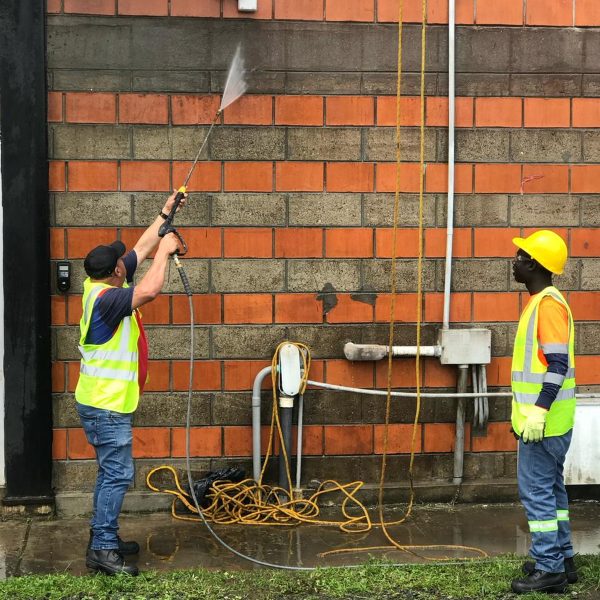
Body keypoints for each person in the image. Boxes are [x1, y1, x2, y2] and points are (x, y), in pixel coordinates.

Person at [75, 190, 185, 576]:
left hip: (103, 403)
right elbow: (151, 290)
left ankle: (104, 537)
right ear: (116, 273)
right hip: (106, 406)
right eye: (120, 261)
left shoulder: (100, 284)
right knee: (117, 475)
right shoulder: (109, 301)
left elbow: (141, 245)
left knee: (110, 473)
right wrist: (167, 252)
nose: (125, 259)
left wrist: (165, 214)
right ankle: (103, 549)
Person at [509, 230, 577, 595]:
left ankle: (549, 567)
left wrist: (536, 413)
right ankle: (563, 560)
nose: (515, 262)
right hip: (551, 421)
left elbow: (556, 365)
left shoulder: (547, 305)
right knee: (552, 491)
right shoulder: (543, 301)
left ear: (534, 264)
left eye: (520, 257)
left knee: (537, 494)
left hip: (543, 422)